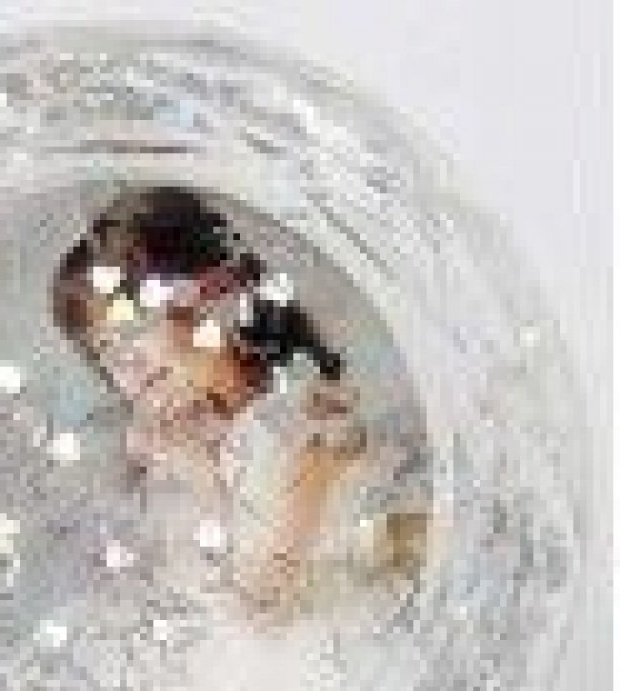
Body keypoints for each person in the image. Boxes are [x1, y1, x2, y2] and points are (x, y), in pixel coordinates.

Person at [52, 185, 427, 622]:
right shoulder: (167, 458)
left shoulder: (307, 421)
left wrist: (204, 481)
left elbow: (263, 604)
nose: (127, 363)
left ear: (216, 294)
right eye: (105, 350)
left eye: (135, 329)